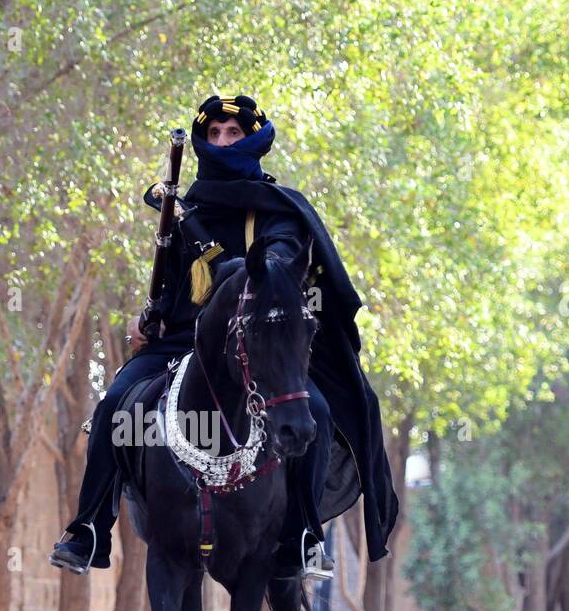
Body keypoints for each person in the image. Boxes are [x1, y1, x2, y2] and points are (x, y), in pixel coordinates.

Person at [49, 93, 399, 579]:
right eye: (213, 134)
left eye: (232, 133)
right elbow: (172, 286)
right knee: (114, 406)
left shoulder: (280, 211)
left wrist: (204, 240)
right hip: (183, 340)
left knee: (316, 412)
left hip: (259, 342)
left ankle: (302, 535)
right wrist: (146, 319)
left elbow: (272, 271)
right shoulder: (183, 205)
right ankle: (89, 529)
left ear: (253, 139)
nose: (221, 141)